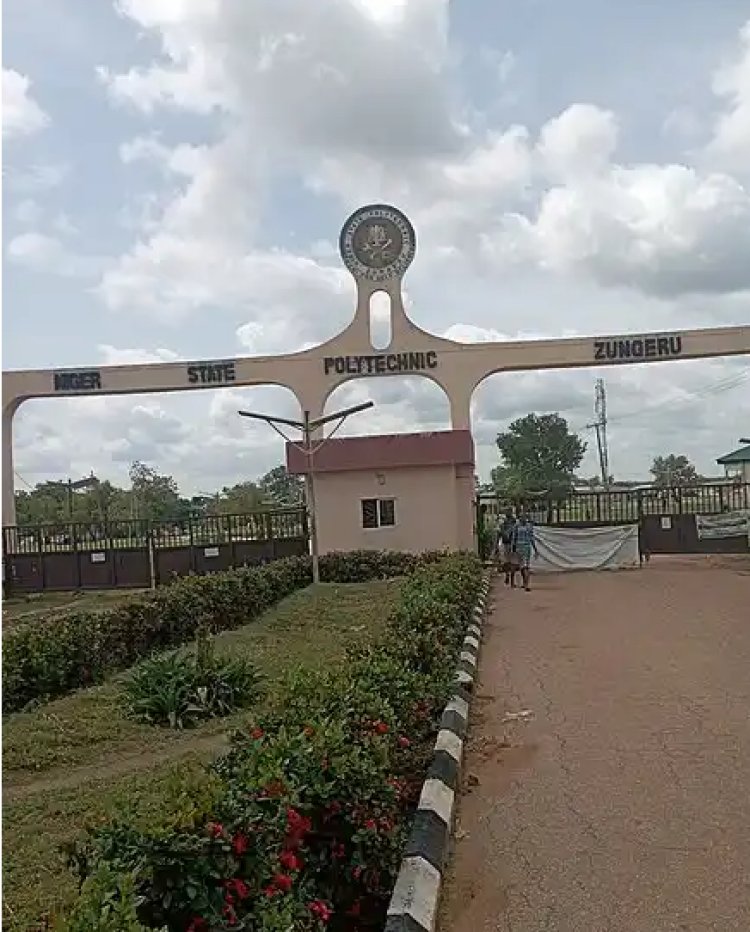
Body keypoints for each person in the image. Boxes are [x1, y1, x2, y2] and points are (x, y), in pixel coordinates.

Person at [510, 512, 538, 591]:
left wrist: (535, 549)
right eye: (521, 517)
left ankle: (526, 584)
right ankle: (524, 582)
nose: (523, 519)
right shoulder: (516, 526)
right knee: (521, 566)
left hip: (526, 547)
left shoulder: (529, 526)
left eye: (524, 517)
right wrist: (513, 548)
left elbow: (531, 538)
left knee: (526, 566)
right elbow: (514, 537)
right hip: (519, 547)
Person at [498, 509, 518, 586]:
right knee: (508, 562)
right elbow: (500, 534)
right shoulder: (504, 524)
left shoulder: (514, 523)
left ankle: (509, 578)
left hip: (511, 544)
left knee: (510, 562)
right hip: (507, 544)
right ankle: (508, 576)